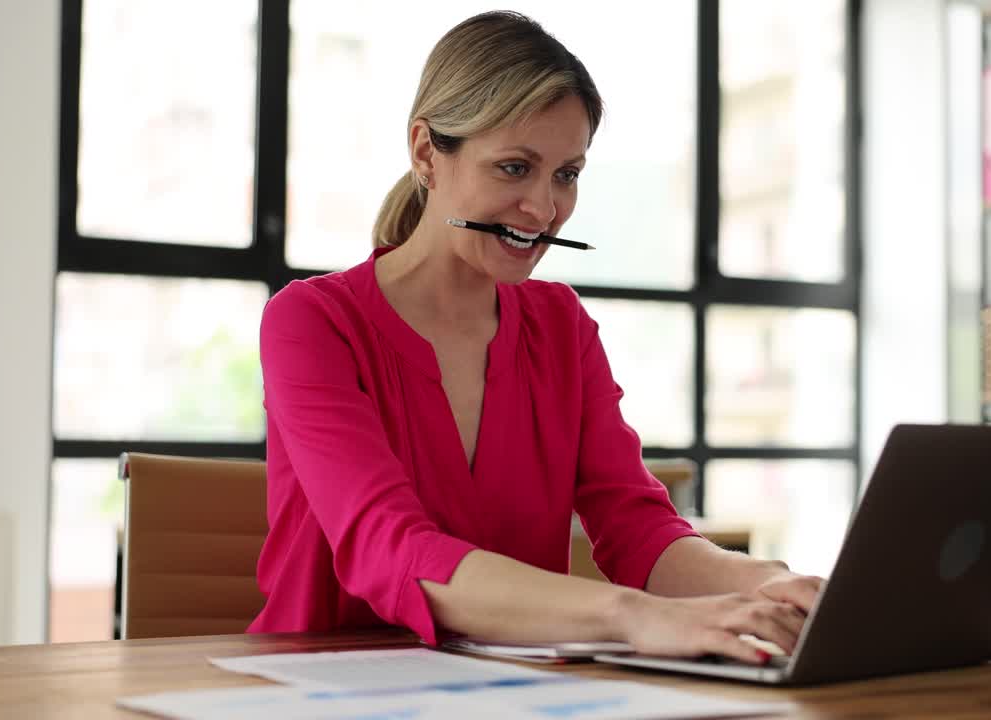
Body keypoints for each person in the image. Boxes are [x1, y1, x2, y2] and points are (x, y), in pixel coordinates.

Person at [250, 10, 823, 664]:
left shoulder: (560, 326)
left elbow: (637, 529)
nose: (544, 209)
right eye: (515, 168)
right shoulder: (314, 322)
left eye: (566, 174)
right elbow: (390, 546)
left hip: (512, 690)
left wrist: (771, 586)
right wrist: (632, 617)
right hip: (320, 687)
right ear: (425, 153)